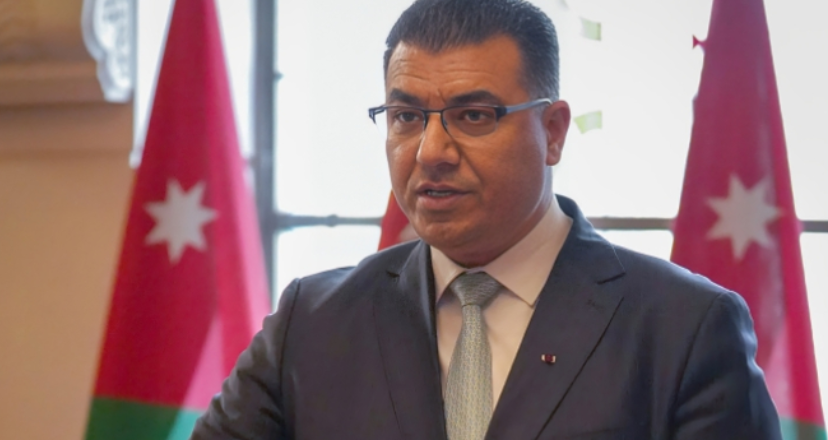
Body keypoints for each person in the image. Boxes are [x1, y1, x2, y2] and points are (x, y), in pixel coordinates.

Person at [191, 0, 782, 438]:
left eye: (473, 115)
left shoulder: (686, 329)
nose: (431, 152)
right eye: (406, 117)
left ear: (553, 132)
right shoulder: (312, 325)